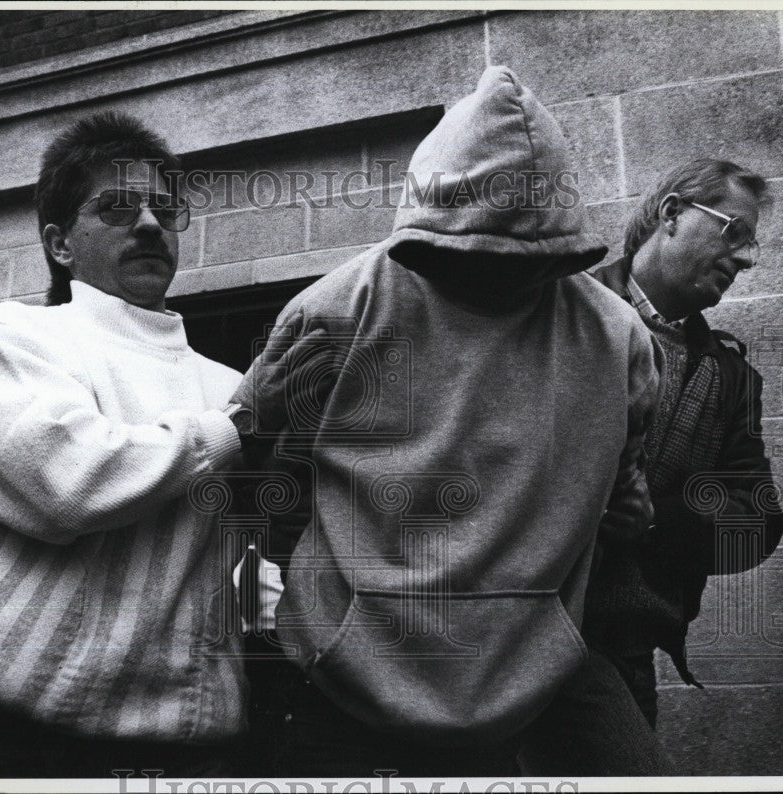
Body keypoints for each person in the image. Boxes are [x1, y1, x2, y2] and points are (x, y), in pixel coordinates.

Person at [225, 66, 662, 777]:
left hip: (540, 670)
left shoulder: (617, 338)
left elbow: (624, 499)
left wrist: (624, 514)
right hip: (346, 681)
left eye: (522, 259)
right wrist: (298, 620)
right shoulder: (335, 314)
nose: (496, 274)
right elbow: (261, 488)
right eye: (472, 255)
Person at [0, 111, 310, 778]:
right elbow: (70, 480)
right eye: (116, 208)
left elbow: (229, 565)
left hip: (175, 757)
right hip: (7, 746)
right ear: (60, 245)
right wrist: (237, 424)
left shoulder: (230, 387)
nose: (150, 224)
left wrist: (285, 627)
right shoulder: (12, 336)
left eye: (164, 209)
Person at [519, 159, 783, 775]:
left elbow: (759, 519)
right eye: (733, 232)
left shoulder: (729, 375)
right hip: (501, 631)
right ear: (671, 214)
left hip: (621, 650)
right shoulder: (555, 307)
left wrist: (651, 522)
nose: (746, 259)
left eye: (752, 244)